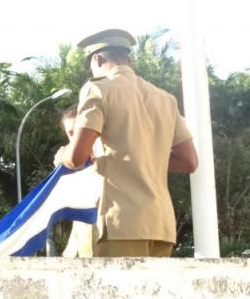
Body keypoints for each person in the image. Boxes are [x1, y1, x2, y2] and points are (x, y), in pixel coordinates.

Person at [56, 29, 198, 257]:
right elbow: (189, 161)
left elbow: (76, 157)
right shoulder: (165, 99)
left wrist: (62, 154)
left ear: (97, 59)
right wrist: (147, 155)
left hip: (121, 223)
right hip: (161, 225)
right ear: (127, 58)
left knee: (114, 293)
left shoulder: (99, 89)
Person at [55, 106, 96, 257]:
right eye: (71, 133)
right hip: (81, 235)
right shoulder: (65, 156)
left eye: (79, 131)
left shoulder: (109, 151)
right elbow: (60, 159)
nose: (75, 137)